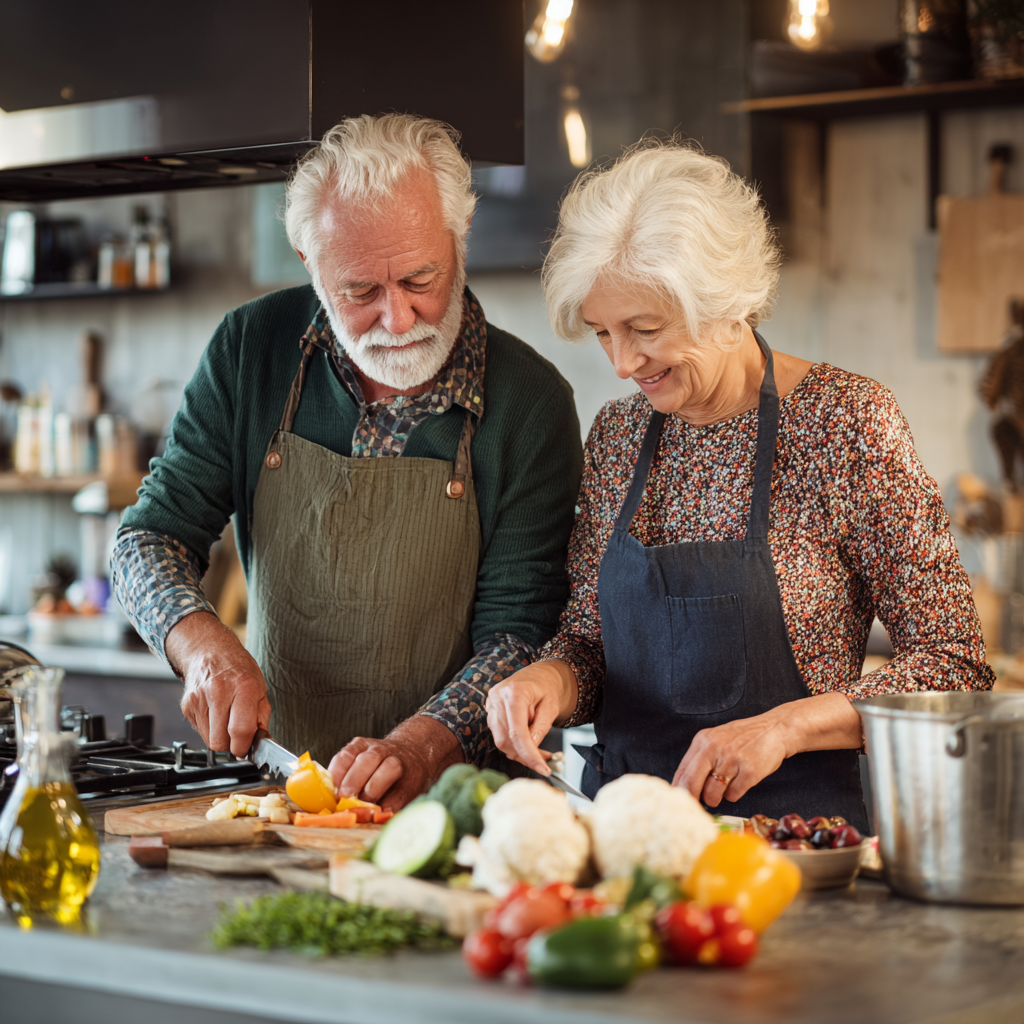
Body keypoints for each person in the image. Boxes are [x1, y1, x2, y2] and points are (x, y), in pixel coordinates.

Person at [484, 141, 994, 832]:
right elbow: (589, 641)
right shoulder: (618, 435)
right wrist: (550, 679)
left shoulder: (845, 422)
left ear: (728, 305)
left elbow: (952, 668)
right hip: (631, 841)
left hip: (798, 847)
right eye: (603, 332)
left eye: (646, 329)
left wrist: (783, 728)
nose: (624, 361)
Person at [112, 114, 582, 809]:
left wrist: (419, 746)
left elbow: (518, 637)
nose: (398, 319)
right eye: (359, 293)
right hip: (274, 795)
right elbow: (147, 539)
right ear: (310, 264)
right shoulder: (252, 349)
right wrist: (201, 645)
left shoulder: (531, 402)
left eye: (421, 278)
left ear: (461, 235)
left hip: (453, 805)